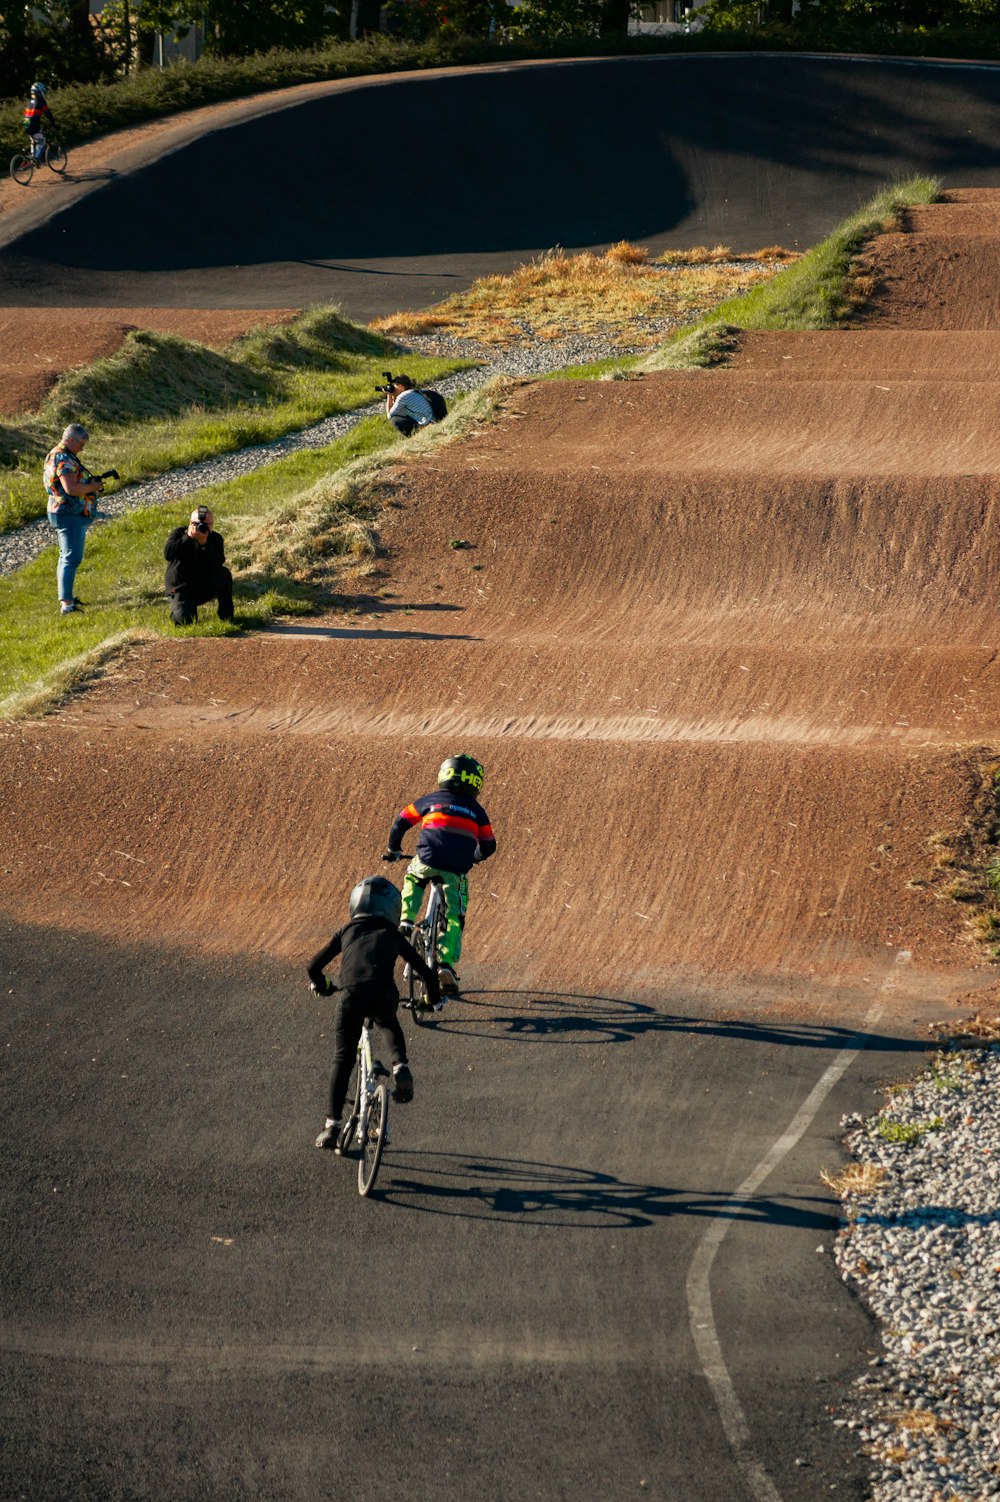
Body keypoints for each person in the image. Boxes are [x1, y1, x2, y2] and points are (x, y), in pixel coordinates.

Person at [307, 874, 440, 1151]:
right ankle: (400, 1066)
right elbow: (426, 971)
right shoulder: (392, 934)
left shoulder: (346, 931)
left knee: (343, 1059)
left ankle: (332, 1126)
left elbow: (313, 967)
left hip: (350, 995)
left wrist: (324, 985)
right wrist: (431, 997)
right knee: (389, 1023)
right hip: (383, 994)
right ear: (391, 908)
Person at [383, 754, 496, 996]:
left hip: (426, 860)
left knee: (413, 878)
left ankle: (406, 920)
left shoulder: (430, 800)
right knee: (454, 916)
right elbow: (489, 845)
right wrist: (474, 857)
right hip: (455, 870)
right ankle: (445, 964)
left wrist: (394, 848)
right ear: (476, 782)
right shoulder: (476, 810)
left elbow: (401, 821)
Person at [45, 423, 113, 615]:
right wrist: (92, 487)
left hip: (62, 511)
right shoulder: (63, 459)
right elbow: (71, 489)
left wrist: (90, 484)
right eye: (81, 444)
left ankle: (66, 597)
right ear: (71, 440)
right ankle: (67, 604)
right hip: (69, 513)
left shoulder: (56, 453)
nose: (82, 448)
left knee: (65, 556)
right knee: (71, 557)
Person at [164, 506, 234, 626]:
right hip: (182, 588)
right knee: (185, 623)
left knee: (224, 574)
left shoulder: (215, 539)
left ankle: (226, 617)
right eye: (197, 524)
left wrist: (204, 544)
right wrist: (188, 538)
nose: (201, 528)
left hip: (203, 585)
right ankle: (180, 611)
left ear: (211, 525)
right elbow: (168, 554)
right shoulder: (179, 534)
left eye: (206, 524)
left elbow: (217, 562)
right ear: (190, 523)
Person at [22, 82, 55, 163]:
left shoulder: (30, 101)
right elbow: (48, 113)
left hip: (26, 124)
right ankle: (35, 158)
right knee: (42, 142)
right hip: (34, 125)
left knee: (34, 140)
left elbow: (28, 114)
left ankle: (32, 157)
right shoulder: (41, 101)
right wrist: (53, 122)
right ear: (39, 91)